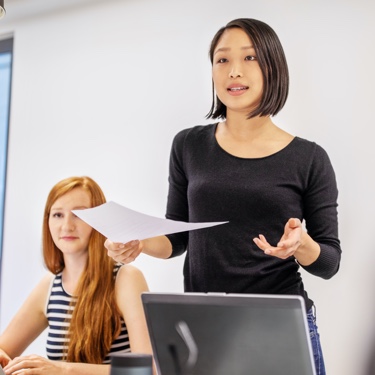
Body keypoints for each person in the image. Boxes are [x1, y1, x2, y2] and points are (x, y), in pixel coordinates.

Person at [105, 18, 341, 375]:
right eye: (222, 60)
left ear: (273, 67)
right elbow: (178, 237)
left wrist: (302, 245)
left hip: (278, 326)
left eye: (249, 59)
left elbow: (329, 262)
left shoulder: (309, 158)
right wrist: (138, 242)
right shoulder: (188, 145)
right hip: (202, 326)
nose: (234, 72)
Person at [0, 176, 155, 375]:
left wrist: (63, 369)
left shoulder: (126, 279)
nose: (67, 226)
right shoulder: (50, 286)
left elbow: (147, 370)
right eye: (57, 215)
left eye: (79, 215)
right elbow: (4, 349)